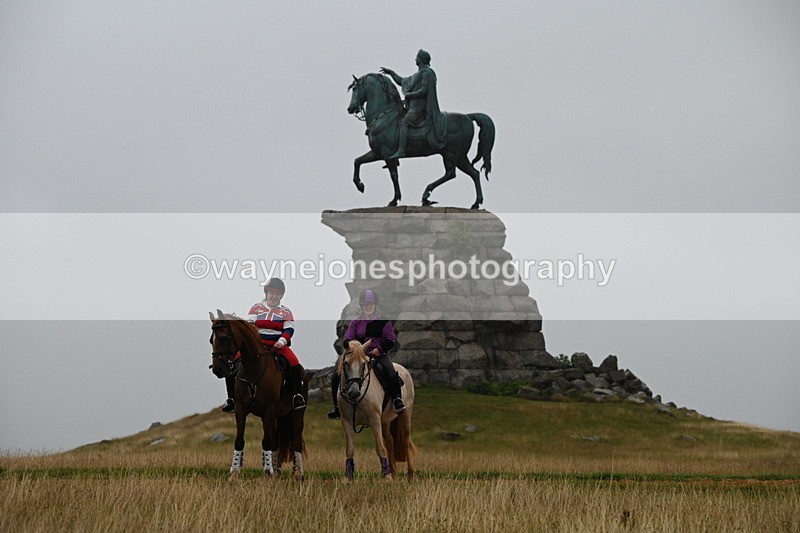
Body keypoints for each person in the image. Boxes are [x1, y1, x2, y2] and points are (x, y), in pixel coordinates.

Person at [221, 278, 306, 411]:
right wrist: (255, 341)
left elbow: (289, 329)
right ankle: (231, 398)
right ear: (266, 293)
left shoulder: (286, 311)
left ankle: (296, 395)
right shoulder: (256, 308)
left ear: (281, 296)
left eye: (277, 294)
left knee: (294, 362)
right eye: (271, 293)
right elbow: (250, 325)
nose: (274, 296)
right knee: (233, 363)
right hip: (257, 345)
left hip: (277, 345)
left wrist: (281, 342)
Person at [327, 288, 405, 419]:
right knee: (336, 374)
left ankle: (397, 399)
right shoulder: (356, 321)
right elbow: (348, 338)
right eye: (365, 305)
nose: (368, 307)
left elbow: (390, 339)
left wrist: (378, 350)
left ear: (375, 305)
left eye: (370, 305)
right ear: (362, 306)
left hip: (378, 354)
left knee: (389, 370)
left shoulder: (383, 320)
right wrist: (352, 347)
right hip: (358, 355)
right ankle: (336, 406)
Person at [380, 49, 447, 159]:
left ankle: (401, 150)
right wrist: (391, 72)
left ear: (421, 60)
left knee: (404, 122)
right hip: (412, 107)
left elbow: (424, 90)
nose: (415, 59)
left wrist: (410, 95)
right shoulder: (417, 75)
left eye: (417, 57)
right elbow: (402, 81)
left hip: (420, 108)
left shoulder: (427, 73)